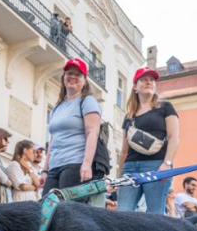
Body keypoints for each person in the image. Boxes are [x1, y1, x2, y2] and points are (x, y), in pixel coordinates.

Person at [117, 67, 179, 214]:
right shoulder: (129, 116)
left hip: (156, 165)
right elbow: (124, 151)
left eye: (151, 80)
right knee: (122, 213)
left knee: (155, 214)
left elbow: (174, 137)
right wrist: (119, 178)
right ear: (135, 86)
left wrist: (167, 163)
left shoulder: (165, 107)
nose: (148, 82)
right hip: (130, 167)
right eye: (143, 79)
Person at [41, 59, 104, 194]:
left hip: (75, 164)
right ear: (63, 78)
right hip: (55, 166)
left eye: (78, 74)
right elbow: (53, 140)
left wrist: (86, 164)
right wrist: (45, 170)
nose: (73, 77)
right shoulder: (58, 107)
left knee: (68, 209)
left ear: (85, 80)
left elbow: (92, 133)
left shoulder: (87, 101)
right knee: (46, 208)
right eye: (69, 73)